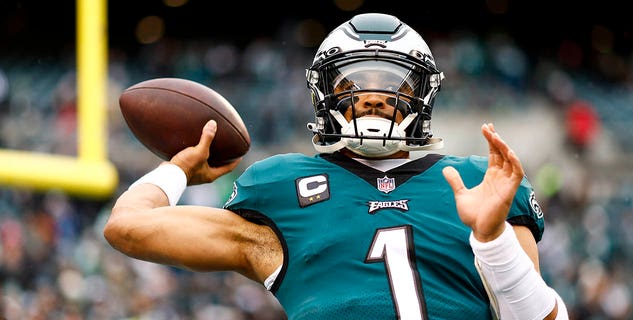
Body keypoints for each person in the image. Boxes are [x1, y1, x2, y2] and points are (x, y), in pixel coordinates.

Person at [104, 13, 569, 319]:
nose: (372, 97)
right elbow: (127, 227)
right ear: (324, 93)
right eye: (353, 83)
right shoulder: (281, 189)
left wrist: (492, 239)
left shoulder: (474, 182)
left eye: (394, 85)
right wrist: (179, 170)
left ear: (422, 97)